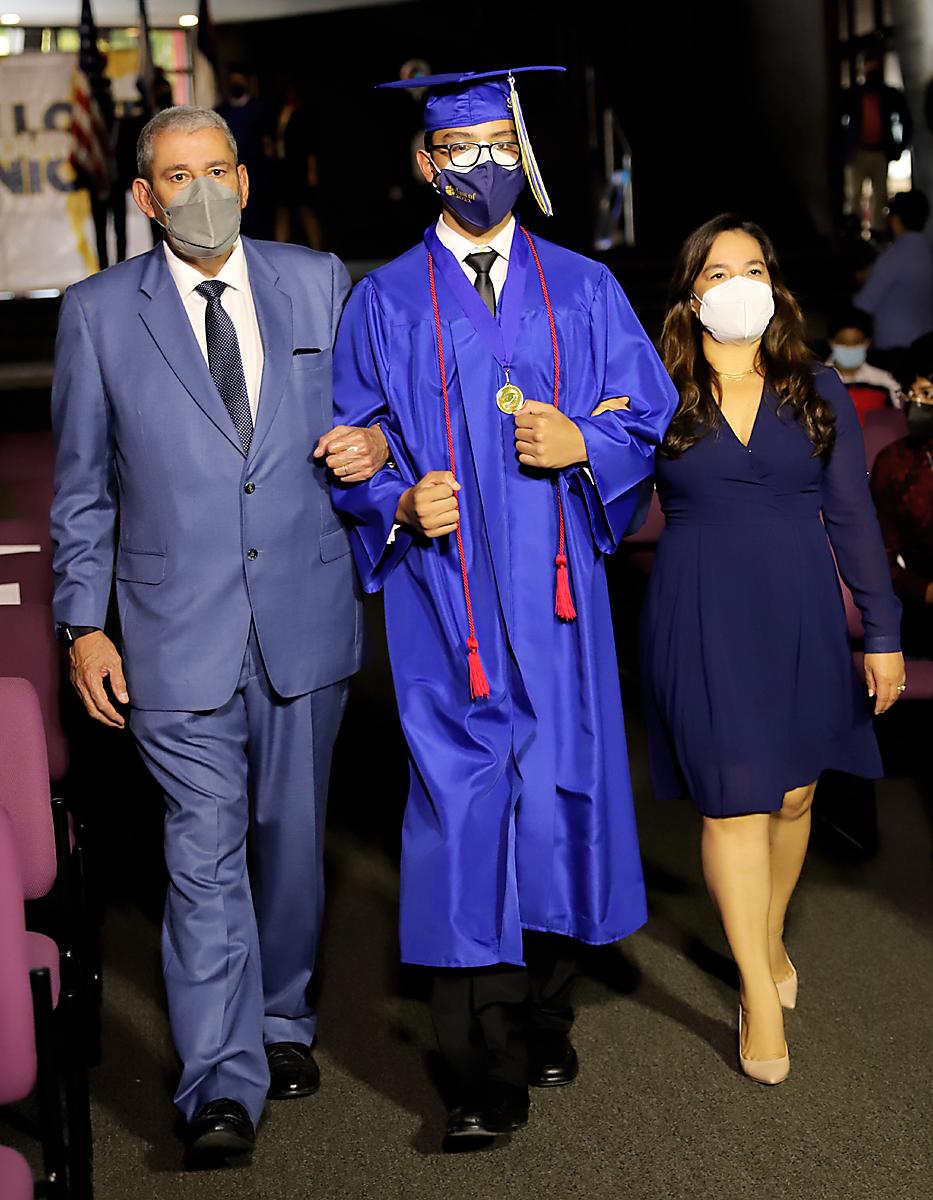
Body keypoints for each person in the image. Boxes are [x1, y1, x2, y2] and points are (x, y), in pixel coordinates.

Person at [327, 66, 678, 1144]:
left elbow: (641, 411)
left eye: (498, 144)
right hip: (451, 610)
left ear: (522, 156)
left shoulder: (583, 287)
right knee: (461, 805)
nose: (481, 164)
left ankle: (542, 1006)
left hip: (561, 598)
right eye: (459, 147)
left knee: (563, 790)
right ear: (425, 163)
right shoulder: (382, 299)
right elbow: (350, 443)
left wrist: (588, 441)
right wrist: (393, 489)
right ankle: (479, 1067)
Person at [50, 105, 383, 1162]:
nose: (196, 189)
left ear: (244, 182)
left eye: (214, 169)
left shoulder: (319, 279)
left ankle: (282, 1016)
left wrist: (377, 442)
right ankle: (218, 1081)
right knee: (202, 856)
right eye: (173, 174)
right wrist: (80, 624)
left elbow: (379, 414)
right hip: (170, 630)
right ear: (143, 196)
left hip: (304, 613)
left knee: (290, 845)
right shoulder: (98, 314)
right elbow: (82, 489)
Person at [642, 215, 905, 1086]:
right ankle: (756, 989)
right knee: (730, 804)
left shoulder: (816, 387)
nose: (739, 282)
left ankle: (764, 934)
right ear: (691, 293)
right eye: (719, 271)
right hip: (699, 613)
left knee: (792, 798)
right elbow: (599, 497)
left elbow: (853, 520)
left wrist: (884, 633)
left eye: (753, 266)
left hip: (798, 613)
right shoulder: (651, 389)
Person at [870, 337, 933, 658]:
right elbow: (881, 551)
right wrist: (922, 589)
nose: (924, 403)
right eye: (921, 394)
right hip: (920, 604)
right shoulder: (893, 462)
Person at [854, 190, 933, 379]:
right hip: (927, 345)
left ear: (895, 220)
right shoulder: (927, 251)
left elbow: (864, 303)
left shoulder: (893, 256)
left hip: (894, 352)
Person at [842, 45, 913, 232]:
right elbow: (840, 123)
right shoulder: (855, 95)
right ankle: (856, 233)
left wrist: (899, 146)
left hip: (878, 151)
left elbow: (905, 118)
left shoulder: (887, 95)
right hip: (859, 151)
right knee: (855, 195)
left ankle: (876, 233)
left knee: (879, 196)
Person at [216, 64, 271, 239]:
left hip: (257, 172)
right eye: (232, 81)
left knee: (260, 218)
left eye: (239, 80)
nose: (235, 84)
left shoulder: (259, 109)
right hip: (228, 174)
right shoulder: (220, 112)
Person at [825, 305, 903, 421]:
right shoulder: (817, 380)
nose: (849, 347)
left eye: (856, 343)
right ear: (831, 342)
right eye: (843, 342)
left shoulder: (886, 382)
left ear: (867, 343)